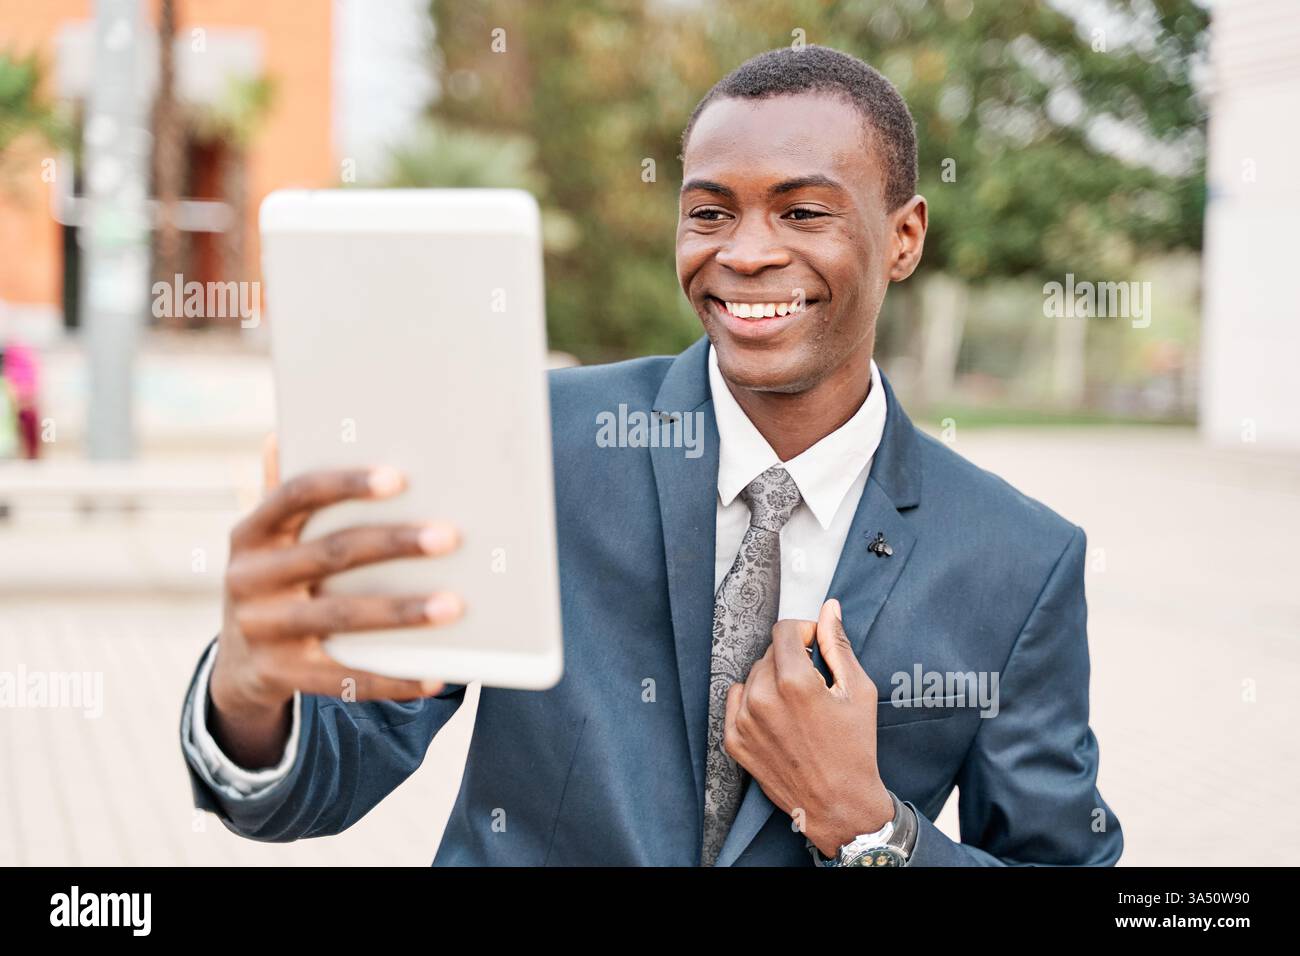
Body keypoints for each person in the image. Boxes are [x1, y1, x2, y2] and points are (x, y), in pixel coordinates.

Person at [180, 45, 1122, 866]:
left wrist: (871, 830)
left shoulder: (1018, 562)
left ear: (904, 237)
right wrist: (252, 693)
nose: (744, 253)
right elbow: (336, 761)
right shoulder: (534, 439)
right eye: (710, 212)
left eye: (802, 213)